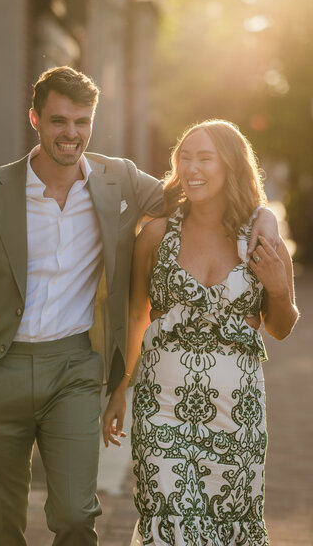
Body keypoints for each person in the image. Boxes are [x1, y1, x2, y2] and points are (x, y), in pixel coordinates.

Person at [0, 65, 278, 546]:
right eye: (59, 121)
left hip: (75, 368)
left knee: (78, 516)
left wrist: (264, 214)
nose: (71, 134)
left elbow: (193, 193)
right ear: (35, 119)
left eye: (82, 121)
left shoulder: (117, 179)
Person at [103, 120, 299, 546]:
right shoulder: (156, 234)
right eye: (184, 158)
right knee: (167, 520)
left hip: (238, 414)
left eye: (204, 158)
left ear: (230, 165)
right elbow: (138, 315)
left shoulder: (261, 240)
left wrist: (280, 289)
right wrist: (120, 386)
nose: (191, 167)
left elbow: (281, 328)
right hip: (163, 408)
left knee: (230, 523)